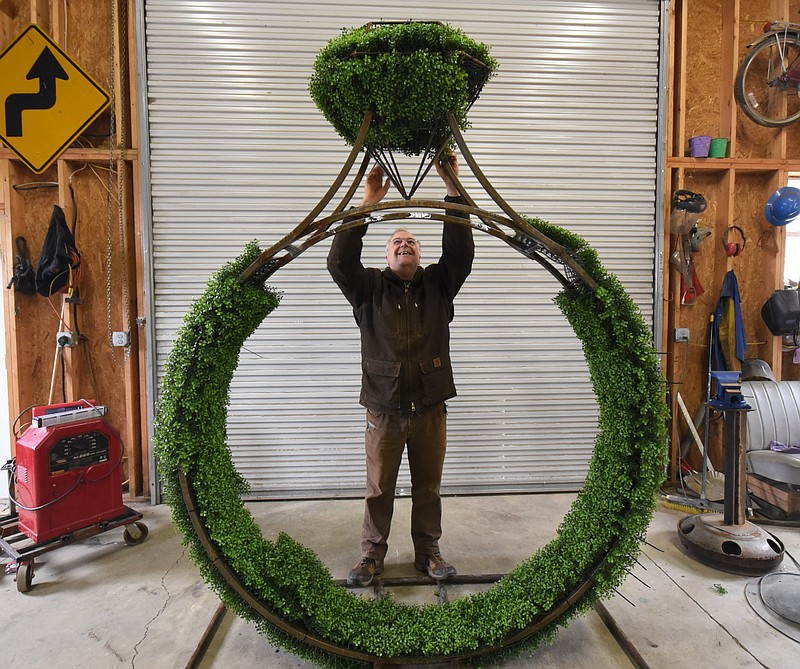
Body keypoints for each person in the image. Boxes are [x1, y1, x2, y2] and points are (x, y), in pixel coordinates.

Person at [327, 153, 474, 587]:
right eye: (396, 241)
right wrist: (368, 203)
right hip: (384, 409)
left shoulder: (438, 285)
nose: (404, 244)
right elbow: (338, 261)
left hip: (430, 408)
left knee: (428, 488)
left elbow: (461, 251)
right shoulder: (368, 287)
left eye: (411, 241)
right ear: (386, 254)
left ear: (420, 254)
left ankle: (428, 553)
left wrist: (452, 190)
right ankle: (371, 557)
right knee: (379, 490)